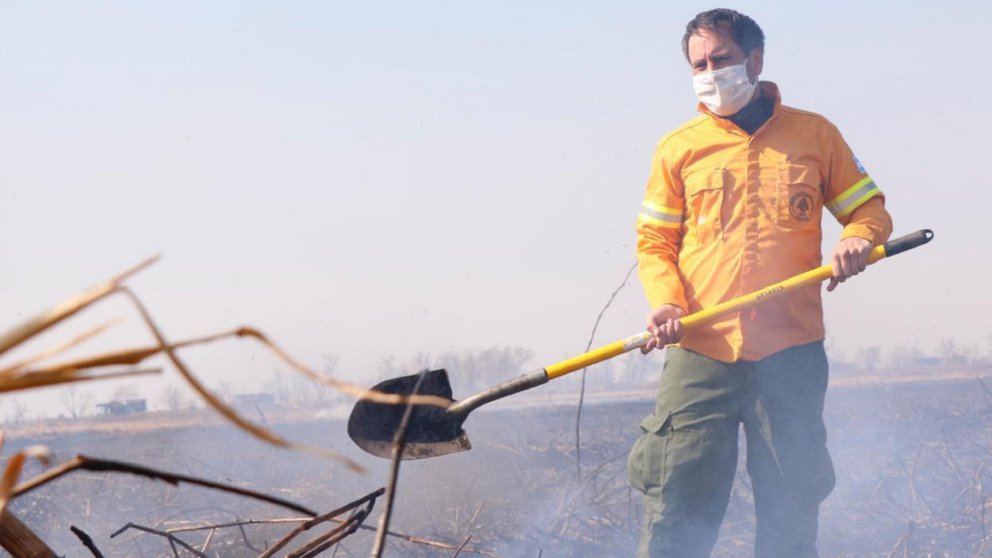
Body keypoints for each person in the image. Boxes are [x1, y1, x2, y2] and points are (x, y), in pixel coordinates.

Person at [627, 8, 893, 558]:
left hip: (791, 352)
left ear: (755, 59)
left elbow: (868, 208)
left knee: (792, 508)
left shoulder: (815, 134)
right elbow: (655, 245)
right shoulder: (678, 148)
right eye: (698, 64)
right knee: (676, 505)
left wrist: (858, 238)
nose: (709, 72)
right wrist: (667, 302)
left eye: (720, 59)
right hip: (701, 348)